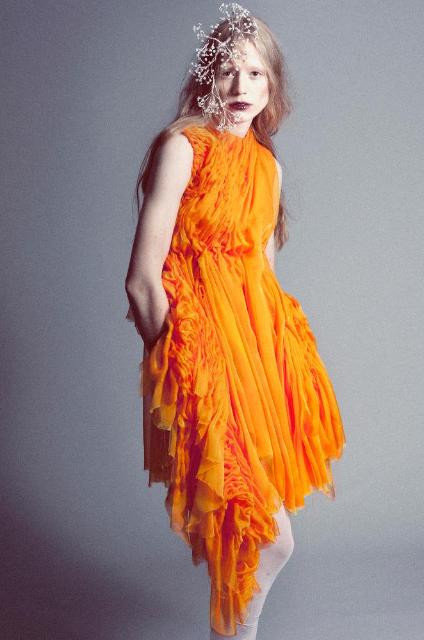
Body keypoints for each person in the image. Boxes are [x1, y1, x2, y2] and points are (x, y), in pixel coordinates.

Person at [125, 4, 346, 638]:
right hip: (201, 359)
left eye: (255, 74)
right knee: (264, 536)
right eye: (227, 72)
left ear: (273, 85)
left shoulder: (266, 167)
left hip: (257, 364)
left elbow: (261, 275)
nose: (241, 87)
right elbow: (142, 280)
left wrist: (280, 368)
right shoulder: (181, 148)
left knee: (260, 538)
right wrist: (175, 361)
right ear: (206, 79)